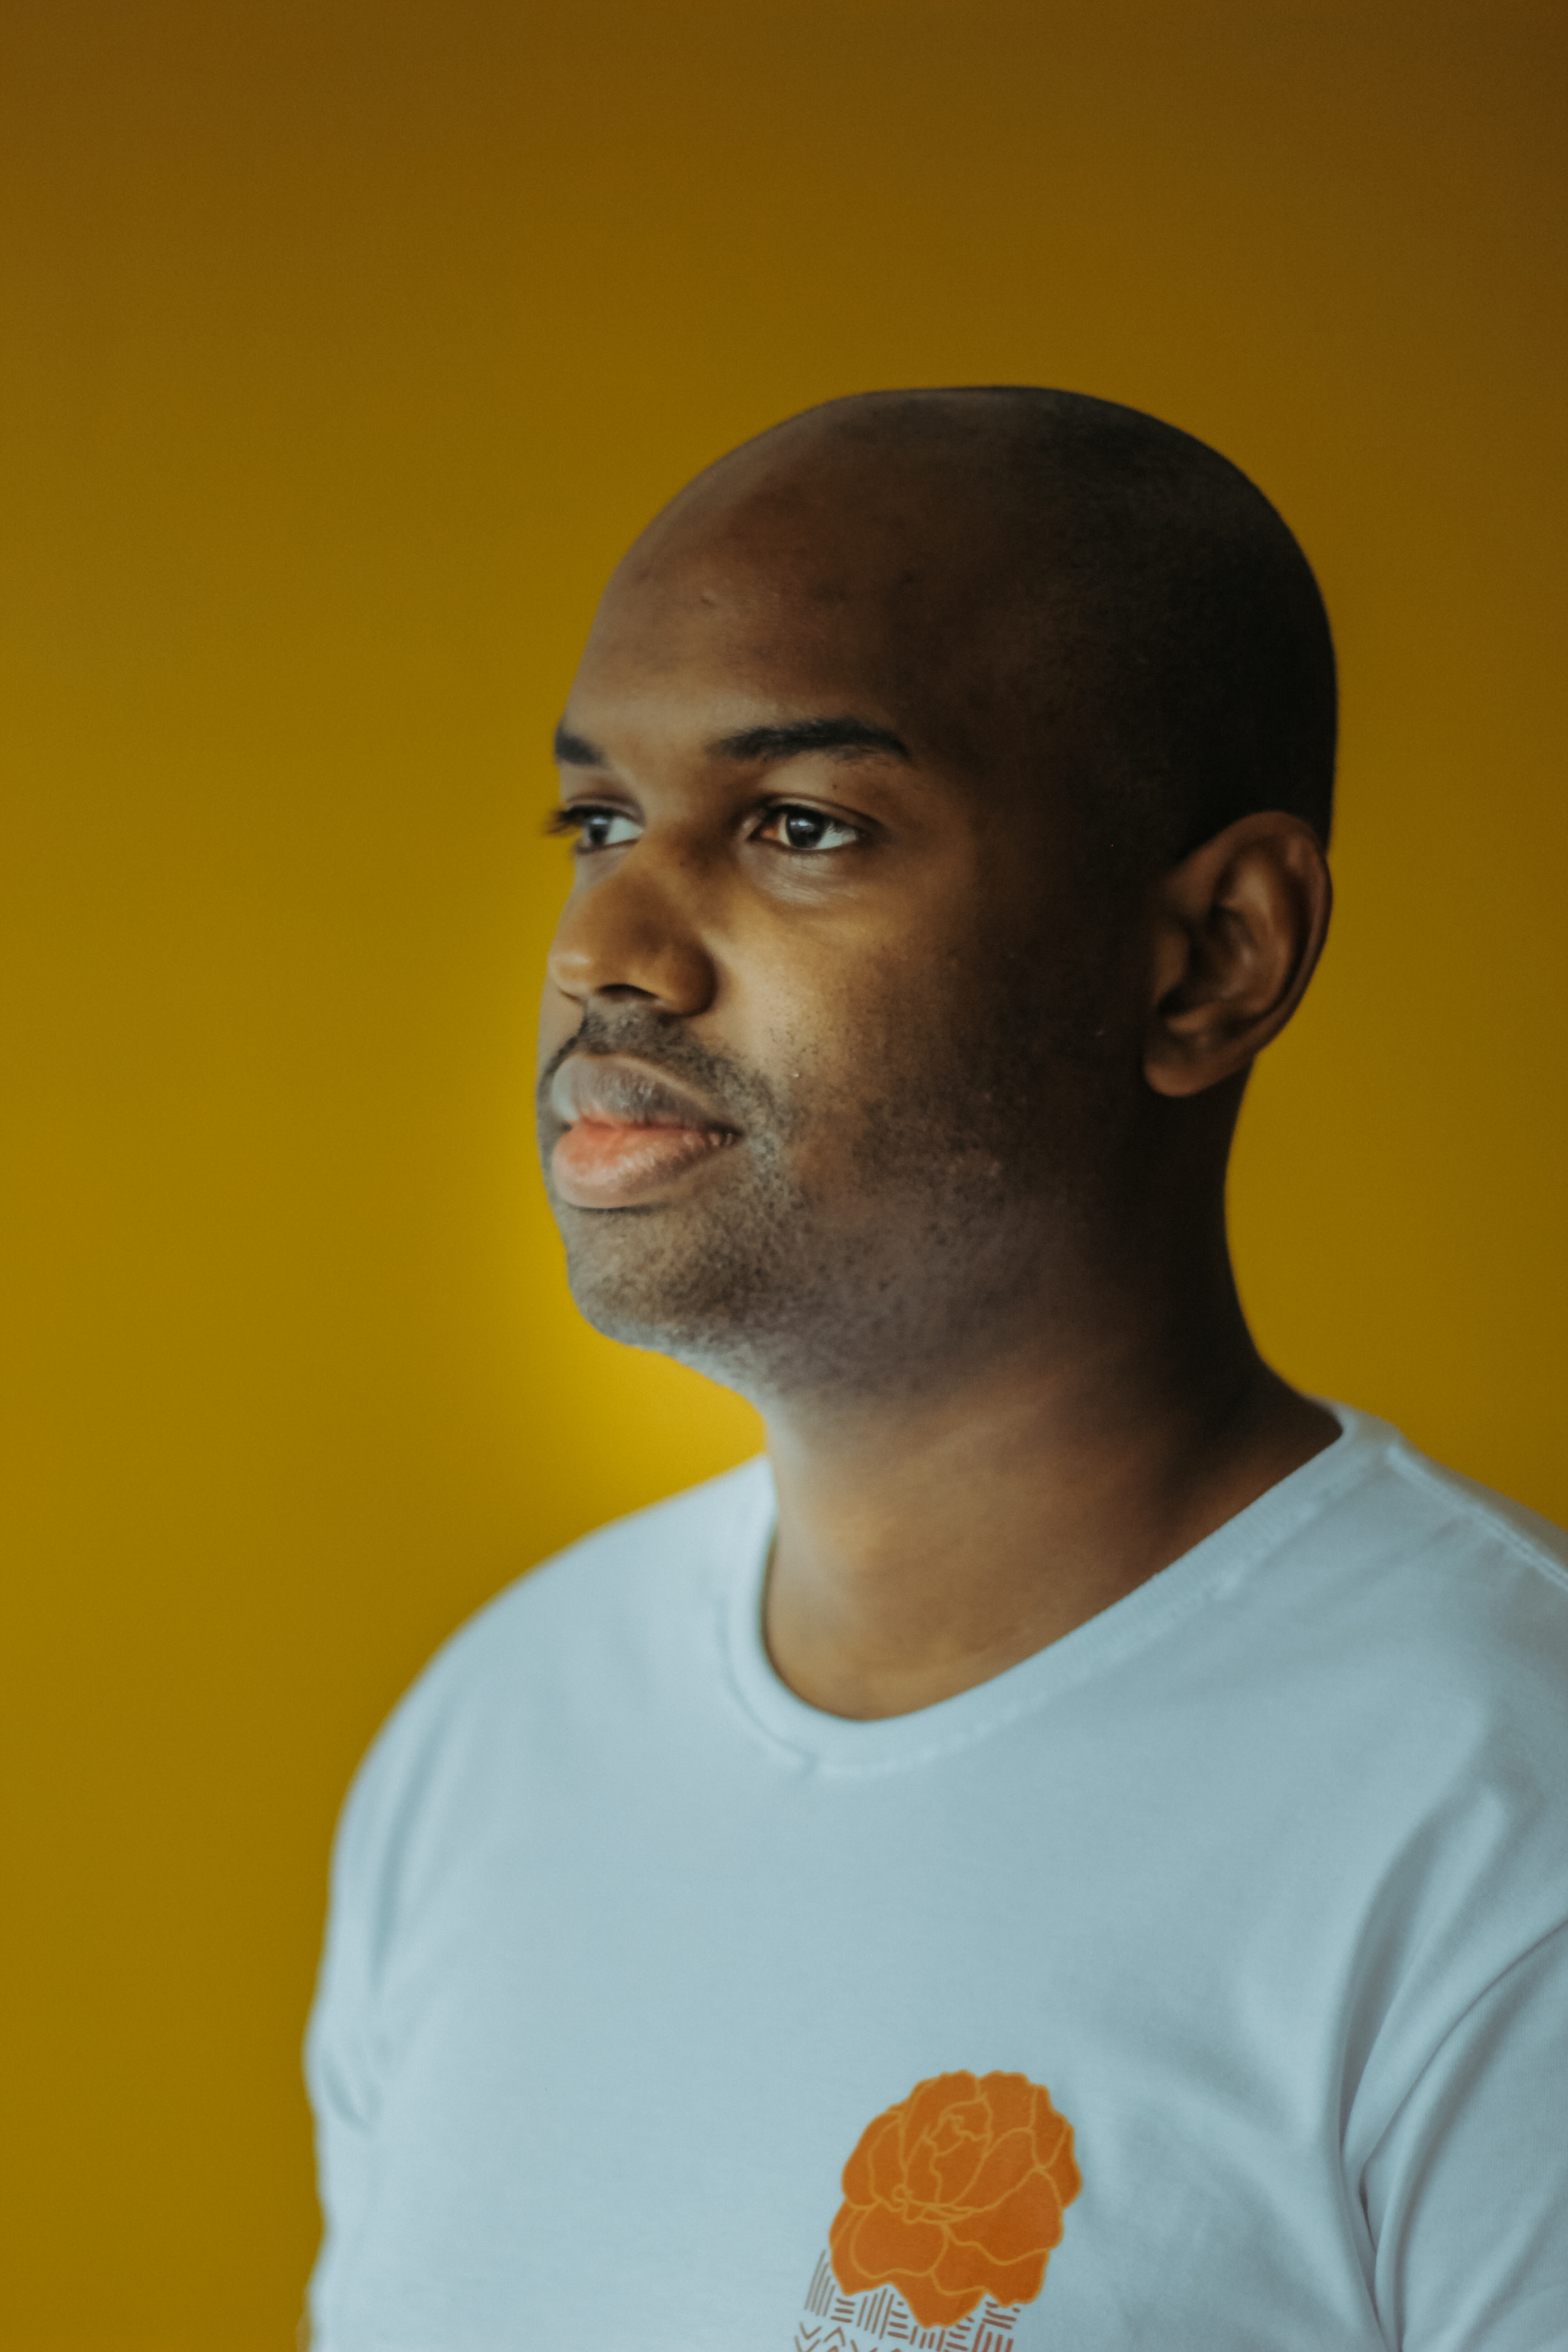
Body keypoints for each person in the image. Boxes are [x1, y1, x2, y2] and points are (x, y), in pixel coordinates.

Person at [303, 389, 1568, 2352]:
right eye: (598, 823)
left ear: (1213, 957)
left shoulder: (1501, 1827)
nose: (610, 946)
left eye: (800, 826)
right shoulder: (492, 1743)